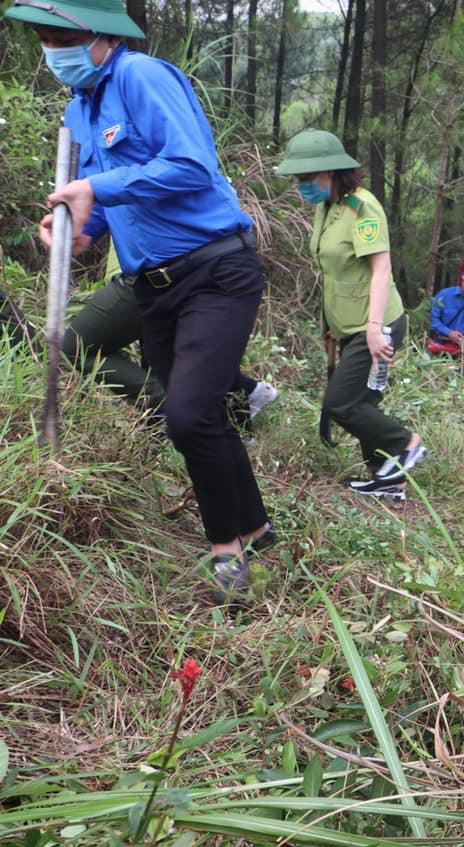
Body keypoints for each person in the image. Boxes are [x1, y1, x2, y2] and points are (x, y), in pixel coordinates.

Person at [9, 0, 273, 604]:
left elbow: (190, 166)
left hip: (214, 269)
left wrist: (93, 185)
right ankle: (257, 530)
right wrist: (82, 227)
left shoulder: (141, 77)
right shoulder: (79, 109)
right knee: (198, 416)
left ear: (102, 35)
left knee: (187, 414)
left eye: (62, 38)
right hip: (153, 286)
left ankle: (227, 555)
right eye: (45, 38)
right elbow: (106, 202)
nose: (52, 51)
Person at [276, 129, 424, 500]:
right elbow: (334, 273)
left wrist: (374, 330)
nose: (302, 185)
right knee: (363, 401)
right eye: (299, 178)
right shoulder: (326, 208)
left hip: (377, 323)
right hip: (347, 325)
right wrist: (330, 327)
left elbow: (381, 270)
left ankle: (405, 444)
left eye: (308, 177)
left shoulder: (363, 207)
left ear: (331, 172)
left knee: (340, 403)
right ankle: (388, 479)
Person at [63, 241, 278, 429]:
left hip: (155, 273)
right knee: (165, 358)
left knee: (77, 348)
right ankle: (242, 404)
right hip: (173, 270)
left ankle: (183, 412)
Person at [428, 264, 464, 357]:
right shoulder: (444, 295)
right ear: (462, 280)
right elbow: (434, 320)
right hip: (440, 346)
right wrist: (449, 332)